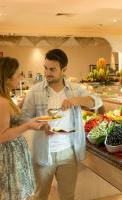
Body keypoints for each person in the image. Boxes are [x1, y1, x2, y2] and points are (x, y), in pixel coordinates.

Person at [22, 49, 102, 200]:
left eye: (52, 69)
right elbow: (24, 118)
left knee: (67, 196)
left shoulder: (75, 89)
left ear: (64, 69)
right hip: (42, 153)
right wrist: (40, 125)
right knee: (39, 196)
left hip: (68, 153)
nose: (47, 73)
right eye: (45, 68)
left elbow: (97, 101)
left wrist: (75, 100)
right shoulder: (35, 91)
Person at [0, 57, 48, 200]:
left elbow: (11, 121)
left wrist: (30, 118)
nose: (21, 77)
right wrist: (28, 125)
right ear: (7, 78)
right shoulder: (0, 102)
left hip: (12, 154)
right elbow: (0, 136)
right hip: (6, 156)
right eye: (18, 74)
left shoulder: (4, 99)